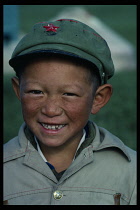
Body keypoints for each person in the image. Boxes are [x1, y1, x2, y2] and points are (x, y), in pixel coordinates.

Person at [4, 19, 136, 205]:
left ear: (98, 99)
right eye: (36, 92)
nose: (50, 109)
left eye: (69, 94)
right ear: (18, 90)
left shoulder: (131, 172)